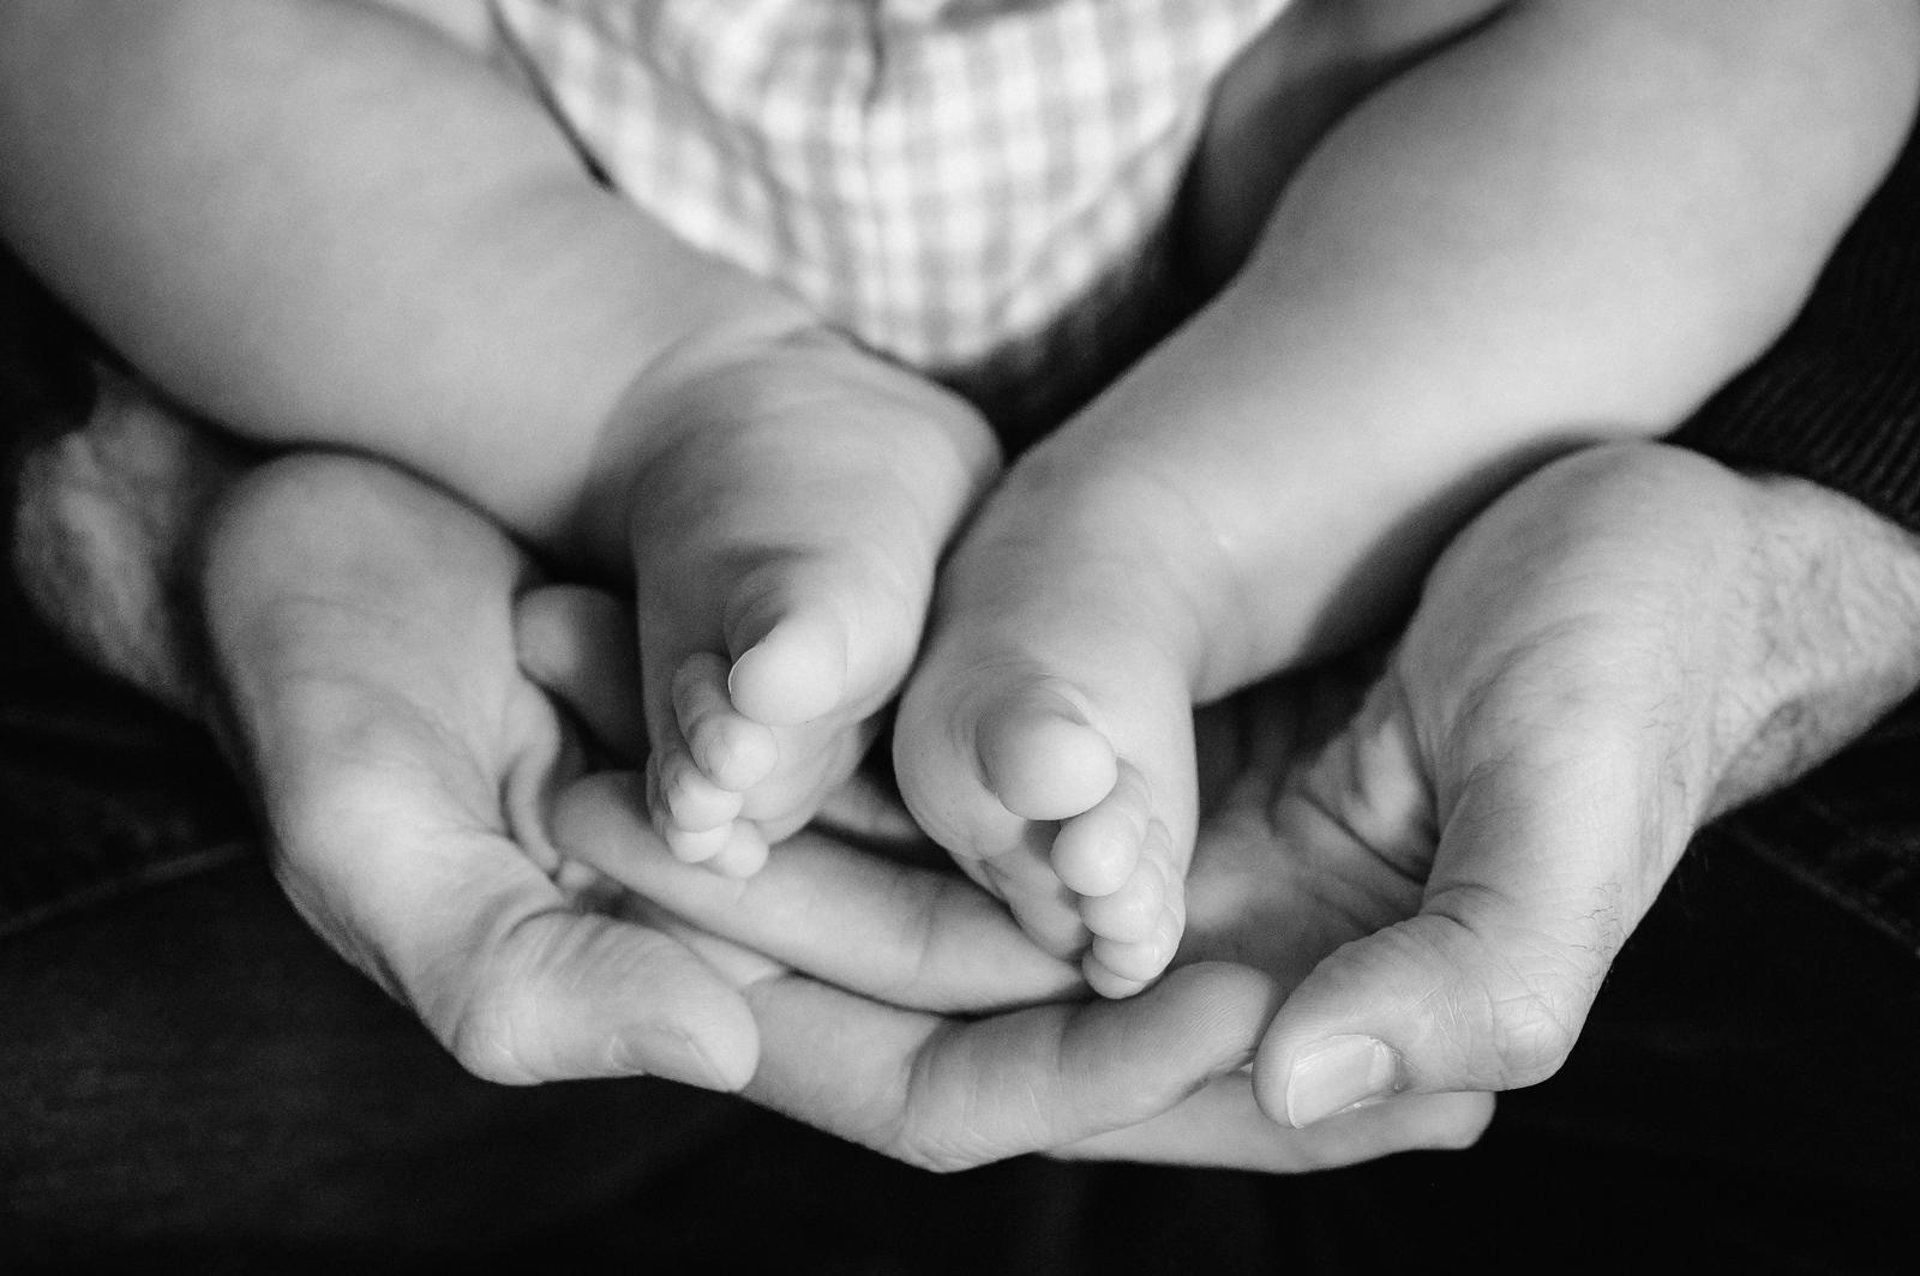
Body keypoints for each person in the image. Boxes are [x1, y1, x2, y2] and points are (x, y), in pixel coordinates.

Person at [8, 110, 1920, 1263]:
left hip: (1361, 356)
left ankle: (1175, 524)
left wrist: (1825, 510)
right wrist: (209, 515)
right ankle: (701, 404)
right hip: (533, 342)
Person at [2, 1, 1913, 999]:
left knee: (1766, 30)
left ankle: (1181, 521)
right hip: (544, 129)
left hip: (1299, 111)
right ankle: (680, 400)